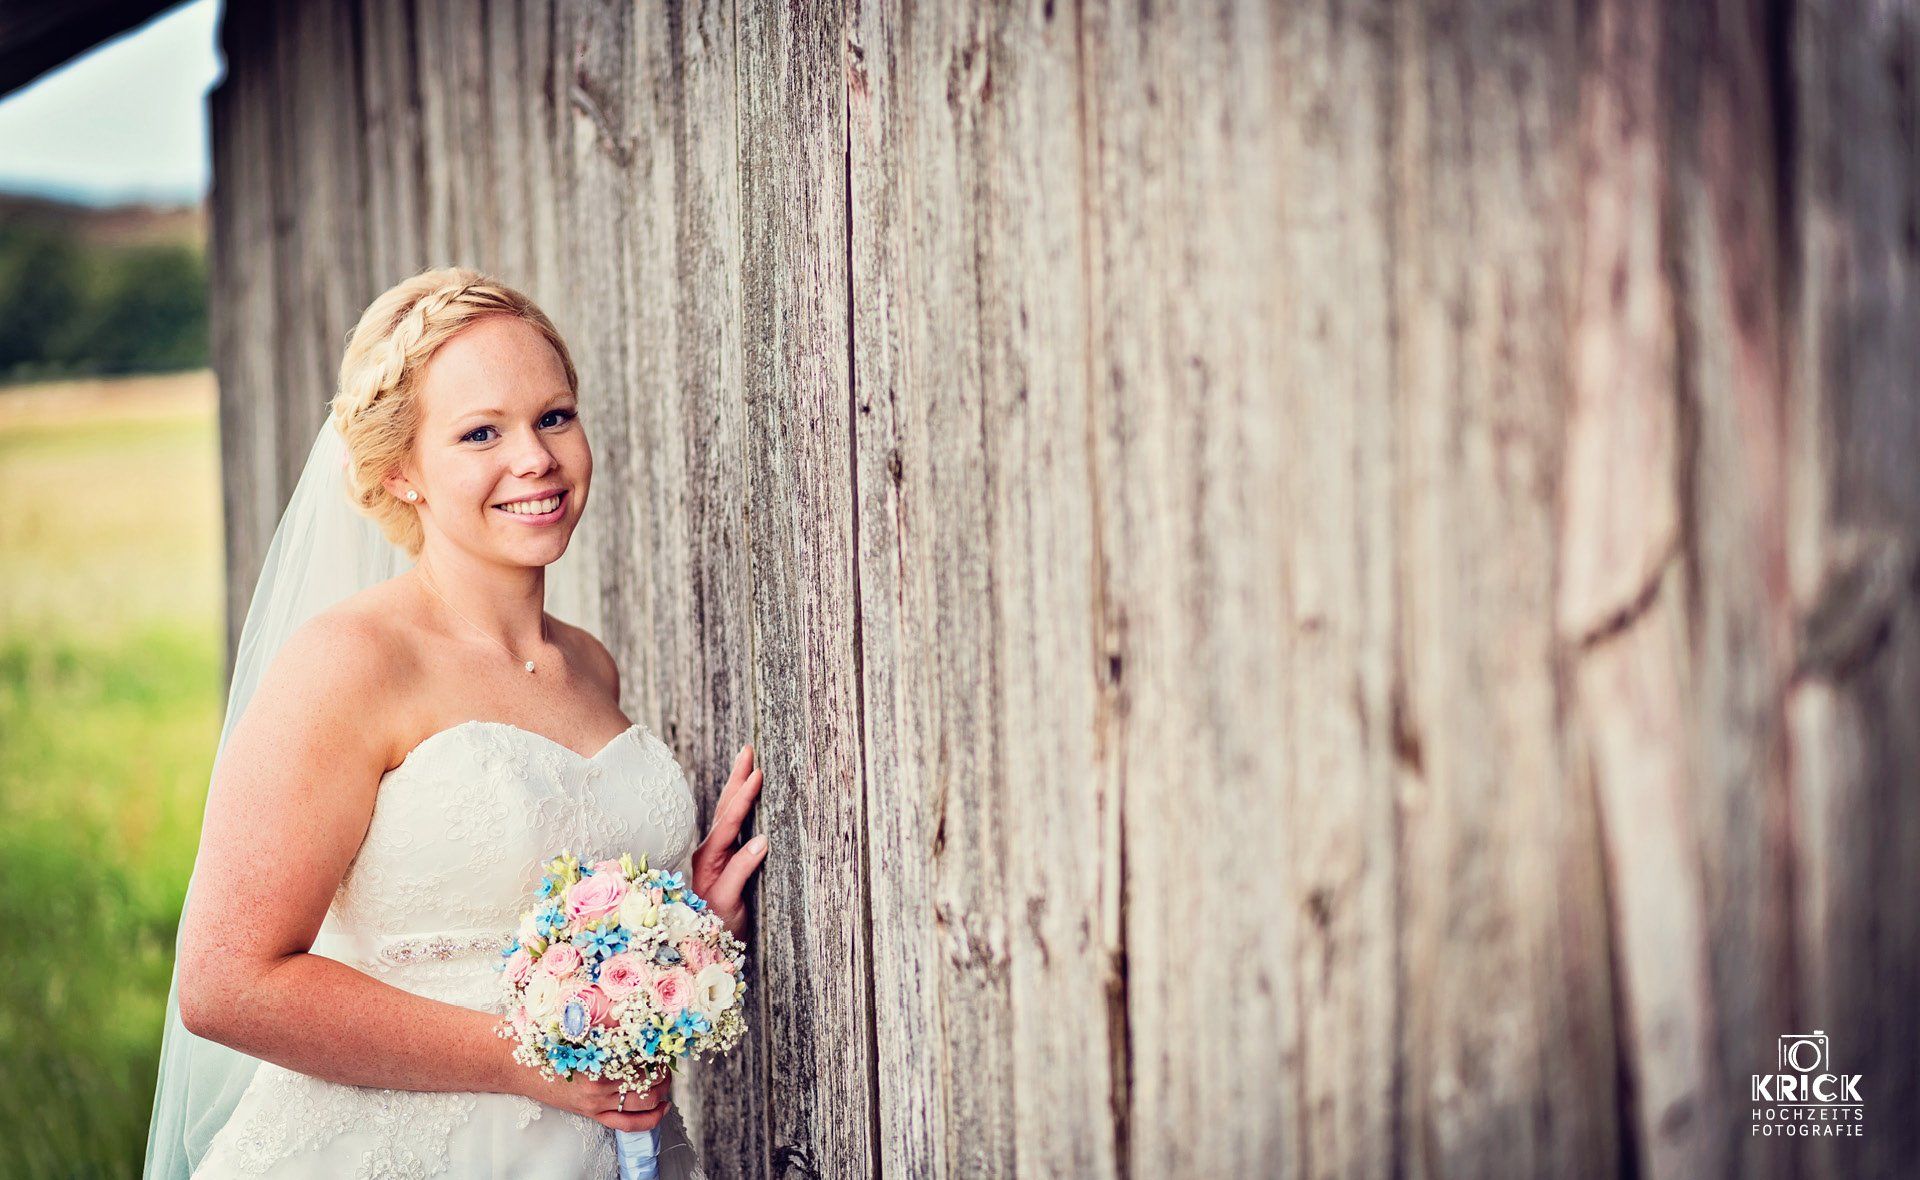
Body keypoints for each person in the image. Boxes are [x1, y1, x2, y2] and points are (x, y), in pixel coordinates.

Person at [143, 267, 769, 1178]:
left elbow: (537, 926)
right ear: (401, 469)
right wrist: (532, 1063)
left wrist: (685, 929)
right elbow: (226, 985)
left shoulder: (590, 666)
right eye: (482, 433)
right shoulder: (350, 663)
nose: (536, 459)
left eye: (554, 416)